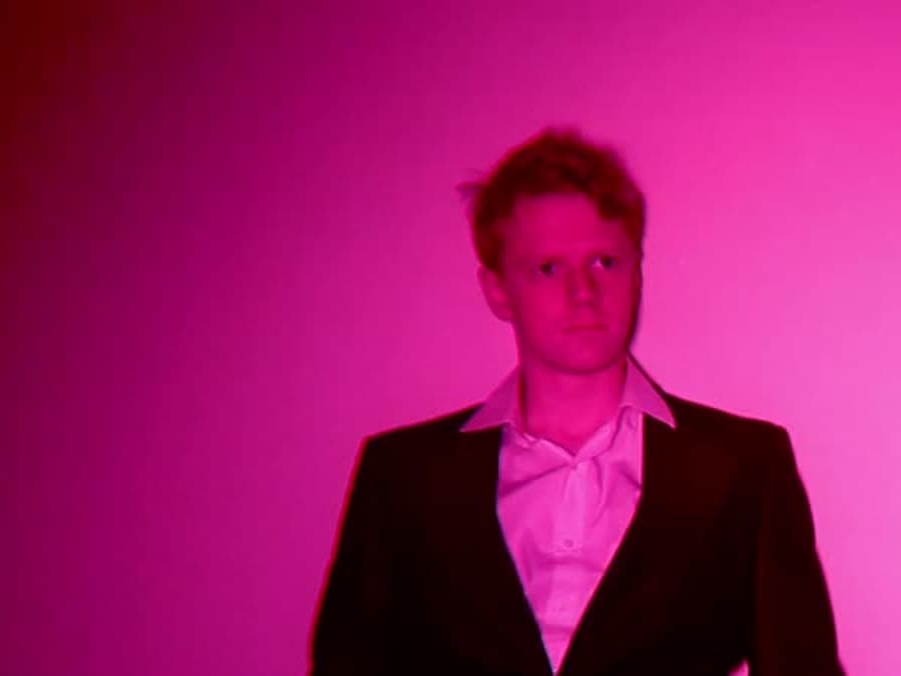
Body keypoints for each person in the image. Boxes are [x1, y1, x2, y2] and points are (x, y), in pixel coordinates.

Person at [310, 128, 844, 675]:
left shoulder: (744, 468)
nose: (583, 293)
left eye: (604, 263)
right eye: (548, 269)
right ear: (497, 290)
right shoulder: (403, 478)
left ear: (636, 273)